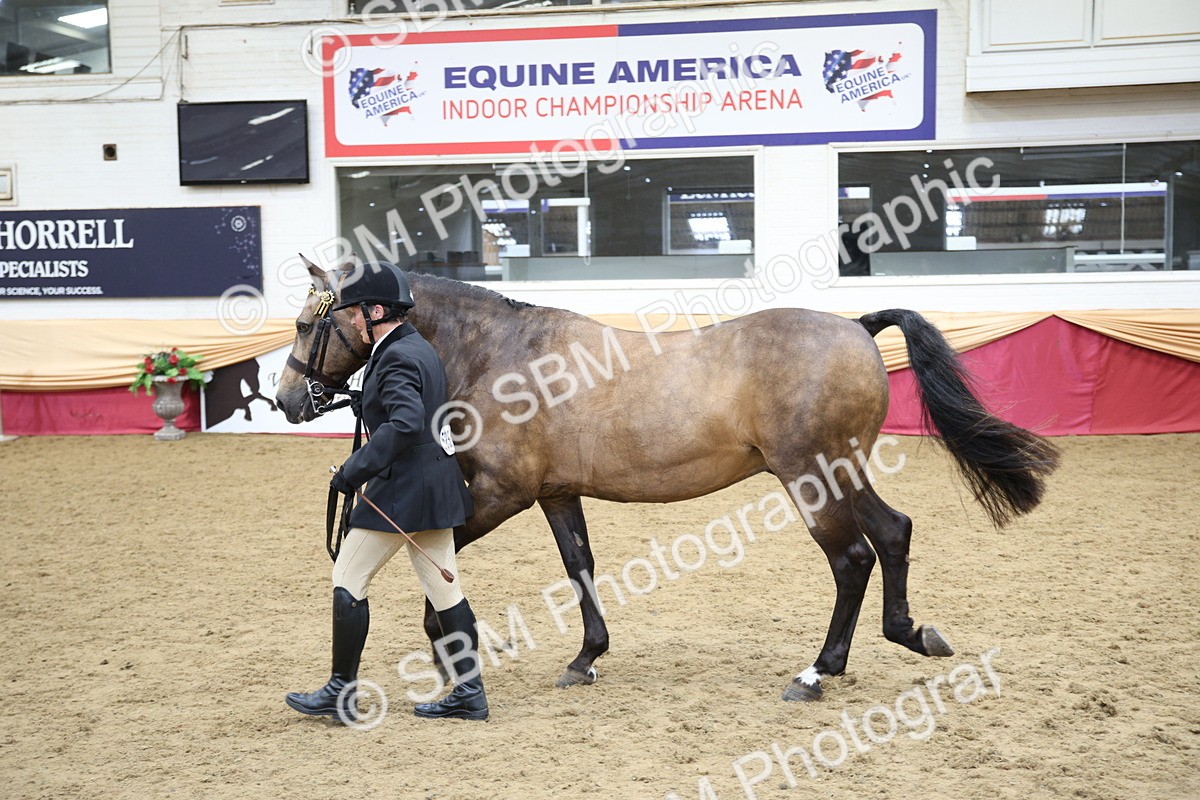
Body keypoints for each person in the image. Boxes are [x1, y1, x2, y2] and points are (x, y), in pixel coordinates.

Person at [285, 261, 487, 722]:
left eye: (356, 312)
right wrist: (363, 400)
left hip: (404, 491)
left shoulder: (394, 355)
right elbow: (408, 406)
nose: (352, 319)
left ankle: (341, 693)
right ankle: (470, 693)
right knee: (444, 589)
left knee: (348, 580)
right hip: (436, 485)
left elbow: (405, 423)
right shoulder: (415, 346)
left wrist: (353, 471)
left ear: (377, 310)